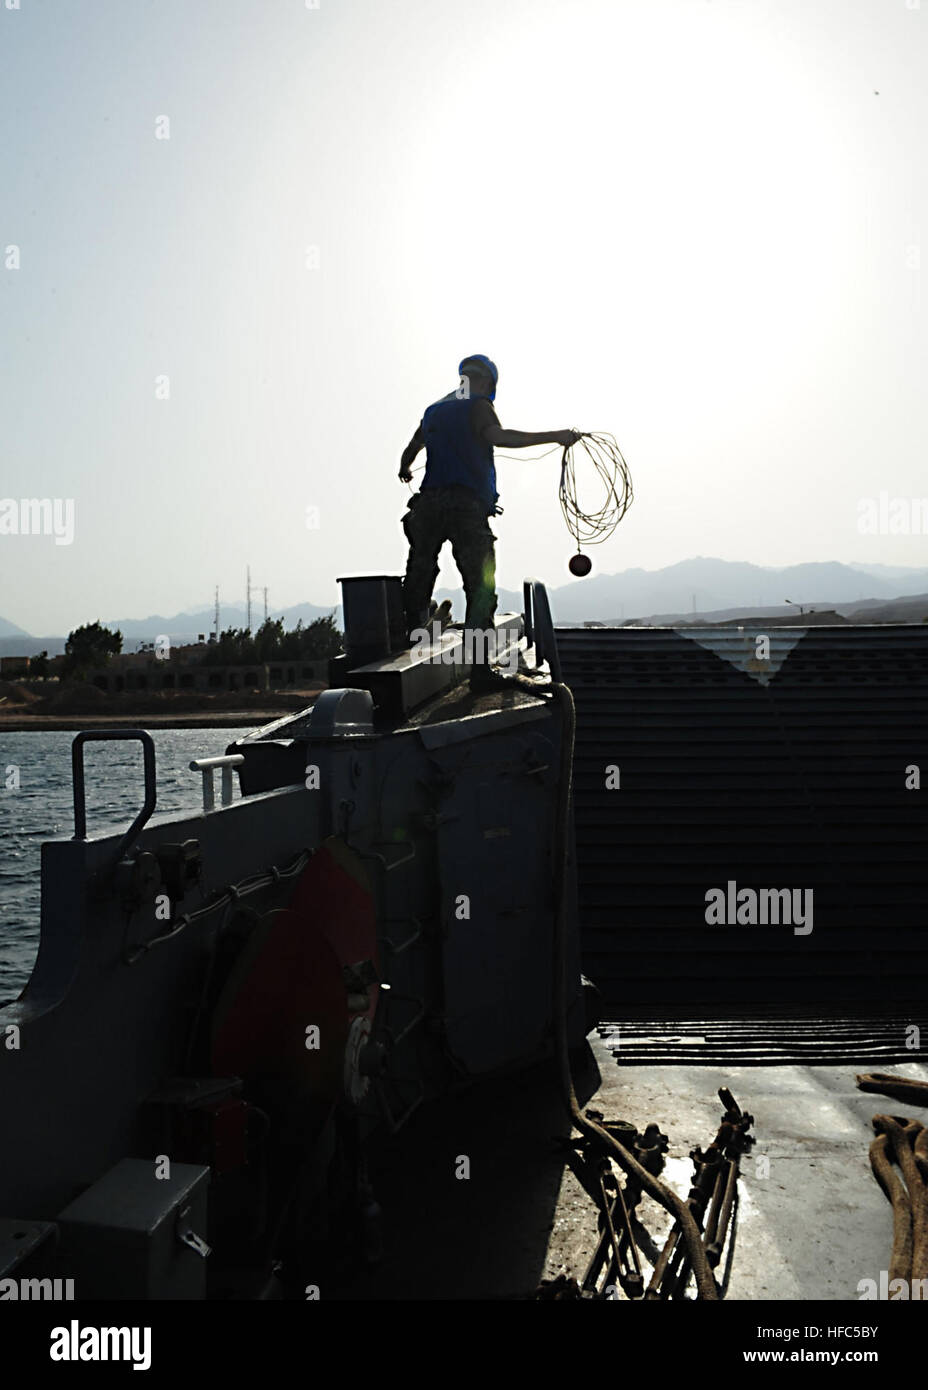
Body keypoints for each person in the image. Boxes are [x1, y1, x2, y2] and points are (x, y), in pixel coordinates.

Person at [398, 354, 579, 644]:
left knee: (420, 570)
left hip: (427, 505)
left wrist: (405, 467)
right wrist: (556, 436)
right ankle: (480, 665)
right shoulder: (478, 405)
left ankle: (409, 630)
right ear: (486, 381)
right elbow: (501, 437)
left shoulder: (434, 410)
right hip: (465, 506)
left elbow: (413, 446)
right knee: (480, 584)